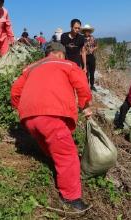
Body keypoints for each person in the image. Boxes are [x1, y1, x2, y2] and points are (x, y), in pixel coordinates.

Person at [11, 42, 92, 212]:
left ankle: (56, 167)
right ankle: (71, 198)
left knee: (50, 146)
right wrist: (85, 105)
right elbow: (82, 85)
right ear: (61, 54)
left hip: (29, 118)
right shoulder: (67, 64)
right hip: (51, 116)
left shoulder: (31, 67)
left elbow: (15, 91)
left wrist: (24, 109)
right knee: (67, 155)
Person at [81, 24, 98, 91]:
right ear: (84, 31)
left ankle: (92, 85)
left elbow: (96, 46)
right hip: (83, 57)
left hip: (91, 56)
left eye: (88, 31)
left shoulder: (93, 38)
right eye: (85, 31)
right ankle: (86, 86)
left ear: (90, 31)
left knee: (92, 72)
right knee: (85, 72)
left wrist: (93, 49)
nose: (86, 32)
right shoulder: (81, 38)